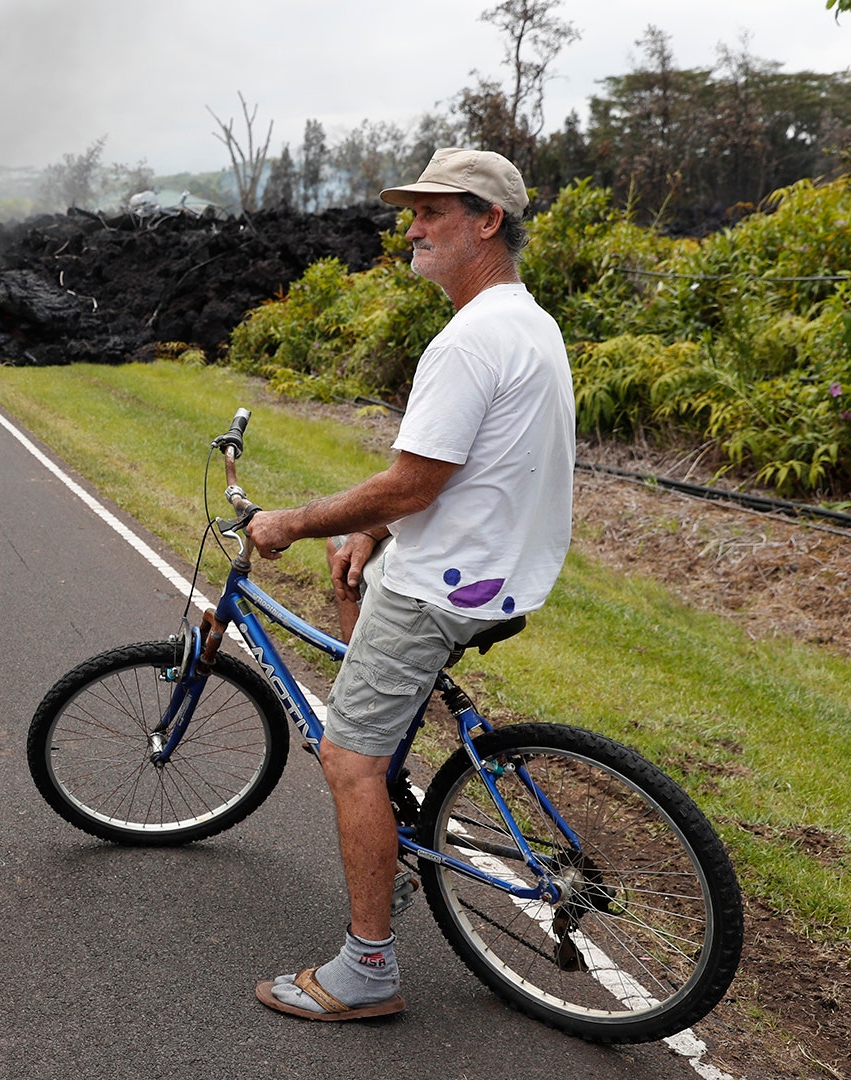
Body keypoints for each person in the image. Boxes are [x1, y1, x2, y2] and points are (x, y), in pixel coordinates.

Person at [243, 147, 575, 1022]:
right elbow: (466, 470)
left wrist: (289, 521)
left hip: (443, 582)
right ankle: (389, 803)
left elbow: (413, 482)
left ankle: (367, 971)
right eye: (411, 212)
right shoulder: (526, 321)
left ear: (488, 221)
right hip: (497, 566)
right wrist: (367, 529)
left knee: (345, 758)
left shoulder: (469, 339)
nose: (414, 229)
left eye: (433, 212)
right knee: (353, 583)